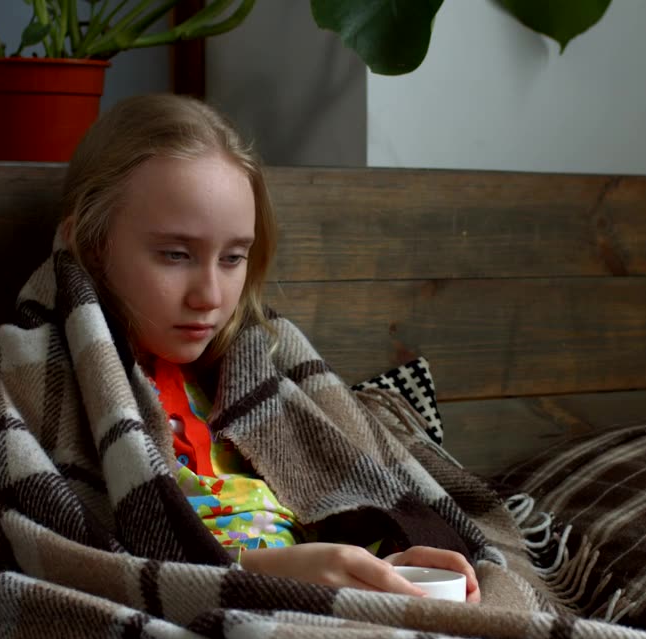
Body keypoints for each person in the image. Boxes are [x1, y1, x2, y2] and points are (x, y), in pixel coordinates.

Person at [56, 93, 480, 602]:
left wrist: (383, 565)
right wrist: (262, 573)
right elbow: (79, 561)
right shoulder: (57, 384)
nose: (209, 297)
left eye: (233, 258)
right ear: (92, 243)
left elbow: (326, 521)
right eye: (174, 254)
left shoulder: (257, 374)